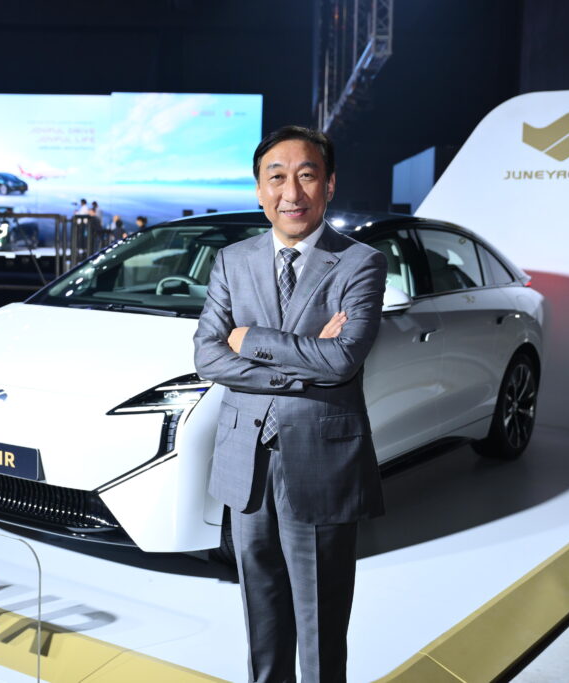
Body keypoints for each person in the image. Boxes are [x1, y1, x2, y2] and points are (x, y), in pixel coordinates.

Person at [193, 125, 386, 683]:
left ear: (329, 184)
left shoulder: (360, 263)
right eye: (276, 177)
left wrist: (249, 339)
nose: (291, 192)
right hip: (246, 459)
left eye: (306, 175)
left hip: (322, 461)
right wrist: (304, 367)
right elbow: (207, 357)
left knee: (321, 622)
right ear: (259, 190)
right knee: (261, 613)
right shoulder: (232, 260)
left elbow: (343, 360)